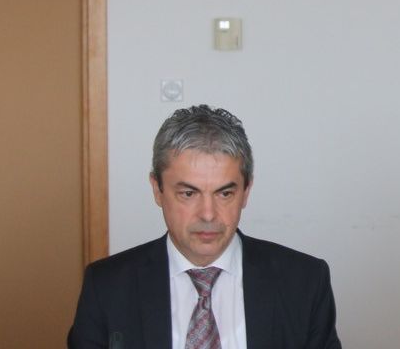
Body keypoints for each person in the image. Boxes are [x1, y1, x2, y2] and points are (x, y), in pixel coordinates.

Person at [69, 105, 342, 349]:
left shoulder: (305, 282)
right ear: (157, 190)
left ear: (246, 192)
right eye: (188, 194)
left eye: (225, 194)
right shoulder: (106, 286)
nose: (208, 214)